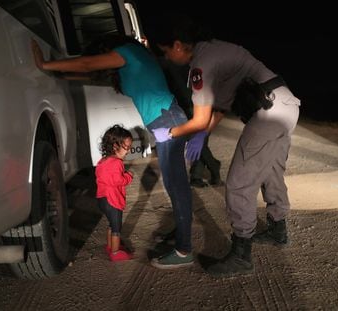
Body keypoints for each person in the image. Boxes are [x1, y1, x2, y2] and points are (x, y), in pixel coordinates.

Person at [150, 15, 300, 277]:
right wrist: (202, 133)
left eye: (165, 52)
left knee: (239, 183)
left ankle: (241, 255)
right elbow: (219, 108)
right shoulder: (217, 48)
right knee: (271, 171)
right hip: (286, 106)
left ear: (176, 45)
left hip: (269, 112)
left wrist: (171, 132)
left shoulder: (201, 64)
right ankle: (278, 230)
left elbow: (199, 118)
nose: (167, 59)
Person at [31, 34, 195, 269]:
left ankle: (184, 249)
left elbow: (88, 64)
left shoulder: (129, 52)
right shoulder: (131, 63)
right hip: (165, 120)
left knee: (177, 188)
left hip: (168, 120)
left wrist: (45, 65)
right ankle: (181, 236)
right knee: (175, 186)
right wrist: (59, 73)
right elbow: (89, 73)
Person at [160, 60, 222, 188]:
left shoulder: (172, 63)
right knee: (199, 141)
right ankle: (205, 170)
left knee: (199, 140)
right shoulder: (178, 62)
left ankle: (201, 173)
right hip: (188, 105)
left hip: (194, 105)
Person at [95, 124, 134, 261]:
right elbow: (118, 180)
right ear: (115, 146)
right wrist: (128, 176)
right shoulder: (116, 163)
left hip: (102, 199)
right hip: (113, 200)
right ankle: (116, 252)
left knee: (111, 224)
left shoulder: (102, 161)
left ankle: (110, 246)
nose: (128, 151)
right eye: (127, 147)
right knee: (116, 227)